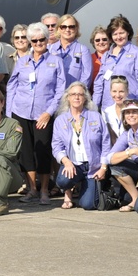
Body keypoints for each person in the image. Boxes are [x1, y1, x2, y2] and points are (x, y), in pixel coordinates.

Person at [6, 22, 66, 205]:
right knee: (25, 152)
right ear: (30, 42)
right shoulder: (23, 61)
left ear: (47, 40)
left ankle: (45, 190)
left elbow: (60, 89)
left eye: (42, 40)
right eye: (35, 40)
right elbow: (12, 86)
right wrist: (9, 114)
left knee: (42, 151)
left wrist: (49, 113)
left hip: (43, 113)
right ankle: (31, 188)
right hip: (21, 111)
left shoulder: (56, 61)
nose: (38, 43)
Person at [52, 82, 110, 210]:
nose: (76, 97)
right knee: (62, 181)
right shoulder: (60, 120)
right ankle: (68, 192)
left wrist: (103, 168)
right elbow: (56, 146)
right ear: (68, 97)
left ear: (85, 98)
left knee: (88, 205)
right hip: (73, 165)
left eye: (80, 94)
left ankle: (85, 186)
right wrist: (66, 161)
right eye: (73, 94)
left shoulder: (96, 117)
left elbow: (106, 143)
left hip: (93, 167)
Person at [92, 15, 138, 111]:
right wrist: (94, 106)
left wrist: (137, 103)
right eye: (115, 34)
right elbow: (99, 82)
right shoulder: (106, 55)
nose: (118, 37)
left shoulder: (137, 53)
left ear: (128, 33)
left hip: (128, 107)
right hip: (108, 107)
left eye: (121, 33)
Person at [50, 14, 92, 89]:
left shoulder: (83, 50)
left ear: (76, 29)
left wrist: (77, 93)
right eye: (64, 27)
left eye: (71, 27)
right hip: (53, 96)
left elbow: (87, 76)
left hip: (73, 97)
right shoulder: (50, 49)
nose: (67, 30)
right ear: (58, 29)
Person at [102, 75, 130, 145]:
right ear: (110, 92)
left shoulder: (135, 111)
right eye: (114, 91)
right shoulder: (106, 112)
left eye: (121, 91)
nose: (117, 95)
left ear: (127, 92)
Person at [89, 26, 110, 93]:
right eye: (97, 40)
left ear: (109, 40)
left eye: (104, 39)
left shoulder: (116, 57)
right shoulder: (89, 59)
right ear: (93, 42)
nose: (101, 42)